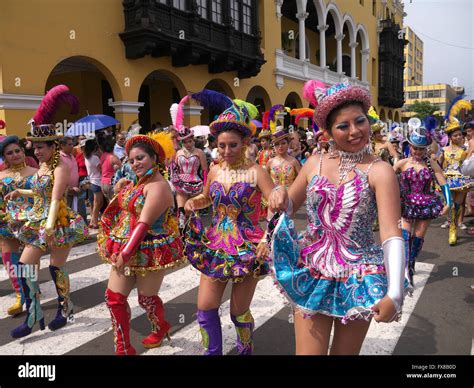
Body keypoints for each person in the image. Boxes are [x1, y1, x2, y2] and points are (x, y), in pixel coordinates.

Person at [268, 80, 406, 355]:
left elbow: (391, 232)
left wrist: (395, 292)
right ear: (329, 132)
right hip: (313, 269)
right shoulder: (314, 162)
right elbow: (288, 205)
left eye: (360, 121)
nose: (355, 131)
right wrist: (279, 193)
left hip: (358, 275)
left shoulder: (380, 171)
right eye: (343, 126)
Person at [184, 98, 274, 355]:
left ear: (245, 143)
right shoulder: (214, 170)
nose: (226, 151)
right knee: (205, 307)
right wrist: (194, 201)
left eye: (232, 145)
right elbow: (206, 197)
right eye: (221, 145)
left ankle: (245, 351)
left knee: (238, 312)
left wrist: (267, 239)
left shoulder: (257, 172)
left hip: (247, 246)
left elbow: (277, 208)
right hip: (215, 245)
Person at [6, 85, 88, 338]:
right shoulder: (41, 166)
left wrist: (50, 226)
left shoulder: (60, 166)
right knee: (24, 264)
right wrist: (22, 193)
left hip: (59, 221)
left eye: (42, 146)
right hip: (39, 220)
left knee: (56, 268)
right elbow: (41, 193)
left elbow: (54, 198)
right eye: (35, 146)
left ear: (53, 146)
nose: (37, 151)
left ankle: (65, 309)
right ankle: (34, 313)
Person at [98, 131, 184, 355]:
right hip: (127, 245)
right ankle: (123, 348)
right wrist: (122, 190)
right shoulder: (138, 182)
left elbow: (143, 224)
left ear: (154, 158)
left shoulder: (158, 186)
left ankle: (160, 327)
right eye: (132, 159)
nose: (135, 163)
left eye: (140, 158)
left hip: (149, 248)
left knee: (146, 299)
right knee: (114, 298)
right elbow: (127, 211)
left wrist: (125, 255)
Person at [393, 123, 450, 289]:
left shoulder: (431, 164)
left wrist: (449, 202)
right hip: (406, 203)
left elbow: (443, 182)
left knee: (417, 240)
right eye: (415, 148)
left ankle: (410, 265)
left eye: (421, 149)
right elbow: (386, 179)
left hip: (426, 204)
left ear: (426, 148)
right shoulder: (402, 163)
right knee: (404, 238)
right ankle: (405, 273)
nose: (418, 152)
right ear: (409, 146)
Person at [0, 135, 37, 316]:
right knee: (8, 255)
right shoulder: (0, 176)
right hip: (7, 220)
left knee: (29, 260)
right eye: (9, 153)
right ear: (4, 157)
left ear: (23, 152)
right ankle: (19, 295)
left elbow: (43, 196)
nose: (14, 155)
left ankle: (31, 290)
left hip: (32, 221)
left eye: (17, 151)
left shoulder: (35, 171)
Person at [439, 98, 474, 245]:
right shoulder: (444, 150)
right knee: (451, 204)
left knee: (457, 206)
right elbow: (438, 165)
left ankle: (453, 228)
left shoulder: (465, 151)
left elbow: (468, 165)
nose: (459, 137)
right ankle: (452, 228)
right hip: (448, 180)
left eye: (461, 135)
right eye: (456, 135)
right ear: (450, 137)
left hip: (461, 180)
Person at [171, 126, 208, 234]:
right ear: (182, 142)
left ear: (193, 140)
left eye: (190, 141)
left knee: (193, 212)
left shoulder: (199, 152)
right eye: (185, 142)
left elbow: (205, 171)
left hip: (195, 183)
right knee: (182, 212)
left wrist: (206, 185)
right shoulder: (178, 153)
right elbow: (175, 169)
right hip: (181, 184)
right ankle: (182, 237)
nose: (188, 144)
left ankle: (196, 237)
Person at [84, 138, 104, 229]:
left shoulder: (87, 157)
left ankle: (93, 221)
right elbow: (101, 169)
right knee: (97, 203)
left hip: (93, 181)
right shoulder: (95, 158)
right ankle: (94, 222)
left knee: (97, 203)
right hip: (97, 181)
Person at [99, 136, 122, 202]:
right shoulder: (113, 157)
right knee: (115, 204)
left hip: (103, 183)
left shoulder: (103, 155)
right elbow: (122, 168)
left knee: (110, 204)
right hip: (110, 183)